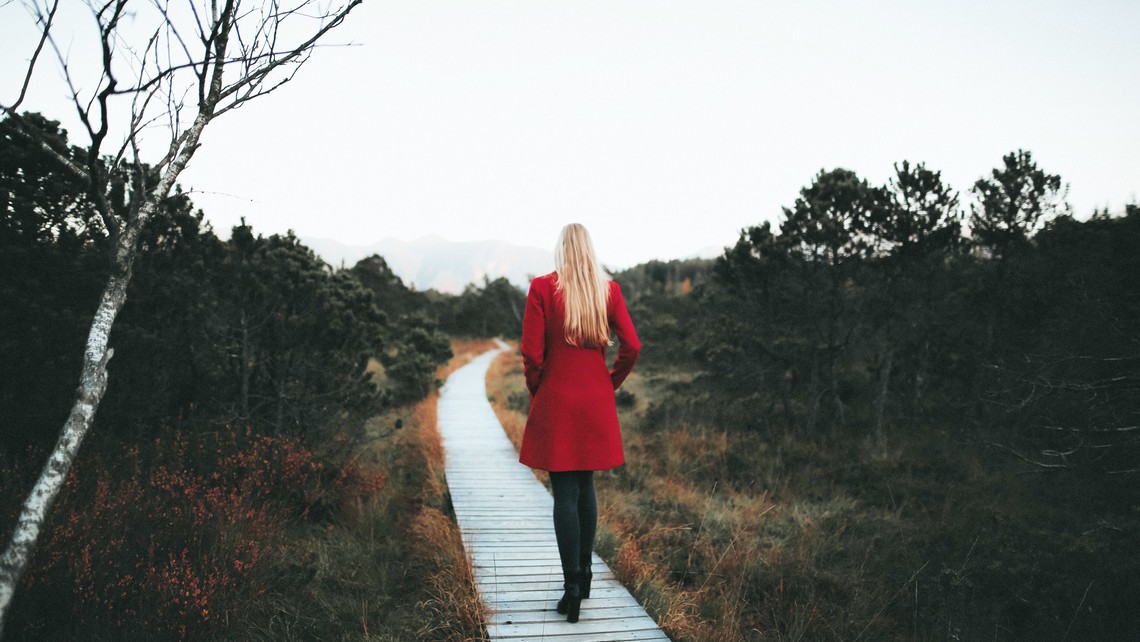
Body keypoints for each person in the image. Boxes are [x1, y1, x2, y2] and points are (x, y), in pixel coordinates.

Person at [518, 223, 641, 623]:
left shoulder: (542, 288)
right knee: (585, 483)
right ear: (590, 250)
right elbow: (633, 346)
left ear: (561, 250)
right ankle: (585, 575)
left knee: (564, 492)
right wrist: (611, 383)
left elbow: (531, 353)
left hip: (557, 397)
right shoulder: (608, 290)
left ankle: (571, 586)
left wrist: (539, 391)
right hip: (595, 400)